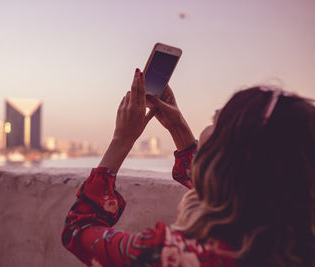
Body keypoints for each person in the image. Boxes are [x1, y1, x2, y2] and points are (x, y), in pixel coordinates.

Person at [61, 68, 315, 266]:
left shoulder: (177, 256)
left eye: (215, 122)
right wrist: (178, 127)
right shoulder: (298, 240)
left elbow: (78, 230)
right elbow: (237, 187)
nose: (208, 126)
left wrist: (122, 140)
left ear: (228, 160)